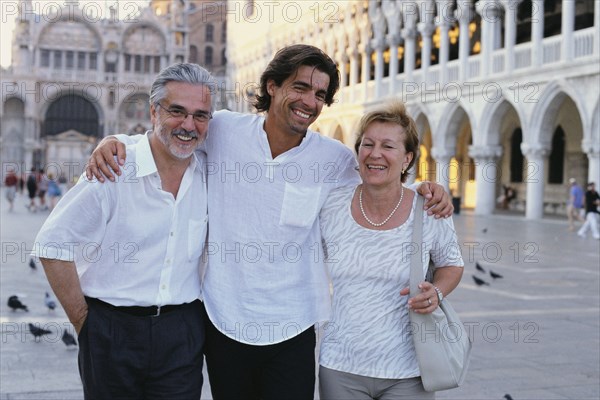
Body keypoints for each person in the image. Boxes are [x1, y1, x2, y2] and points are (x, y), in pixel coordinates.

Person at [86, 45, 453, 399]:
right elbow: (174, 131)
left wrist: (427, 188)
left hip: (292, 327)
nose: (310, 101)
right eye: (300, 87)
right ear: (272, 86)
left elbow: (379, 175)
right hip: (222, 321)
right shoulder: (226, 130)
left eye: (320, 94)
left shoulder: (334, 158)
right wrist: (116, 141)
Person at [32, 63, 215, 399]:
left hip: (182, 332)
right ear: (153, 112)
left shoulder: (211, 172)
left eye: (200, 115)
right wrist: (85, 323)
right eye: (177, 111)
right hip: (111, 330)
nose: (189, 125)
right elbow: (52, 244)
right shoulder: (113, 169)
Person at [318, 101, 464, 399]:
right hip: (340, 365)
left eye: (388, 146)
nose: (375, 154)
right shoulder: (331, 204)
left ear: (408, 157)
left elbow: (452, 264)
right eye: (367, 144)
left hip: (409, 370)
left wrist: (435, 293)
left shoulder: (429, 208)